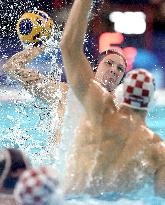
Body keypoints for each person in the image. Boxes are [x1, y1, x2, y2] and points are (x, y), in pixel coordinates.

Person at [60, 0, 165, 198]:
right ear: (150, 104)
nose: (113, 71)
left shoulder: (100, 109)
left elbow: (69, 46)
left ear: (123, 92)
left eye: (120, 69)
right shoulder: (158, 151)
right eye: (109, 64)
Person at [2, 46, 68, 144]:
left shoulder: (65, 95)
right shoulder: (64, 94)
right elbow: (12, 68)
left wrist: (39, 45)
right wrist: (39, 45)